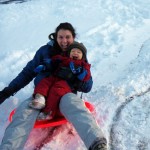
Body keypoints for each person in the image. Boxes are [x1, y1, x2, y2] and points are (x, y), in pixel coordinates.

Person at [0, 22, 107, 150]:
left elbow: (87, 85)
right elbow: (28, 72)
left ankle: (97, 144)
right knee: (23, 112)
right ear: (55, 37)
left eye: (67, 37)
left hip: (64, 96)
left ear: (73, 37)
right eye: (60, 37)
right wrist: (7, 91)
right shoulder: (45, 51)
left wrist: (76, 78)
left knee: (76, 106)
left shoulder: (77, 53)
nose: (64, 41)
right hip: (42, 96)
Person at [29, 42, 92, 120]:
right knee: (44, 82)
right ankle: (40, 98)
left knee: (56, 90)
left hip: (67, 83)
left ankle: (48, 112)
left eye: (78, 52)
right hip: (55, 78)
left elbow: (86, 76)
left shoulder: (83, 65)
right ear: (69, 53)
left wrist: (80, 72)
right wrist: (45, 66)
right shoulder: (64, 59)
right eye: (73, 51)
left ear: (83, 56)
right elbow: (53, 61)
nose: (75, 53)